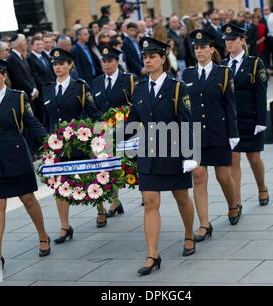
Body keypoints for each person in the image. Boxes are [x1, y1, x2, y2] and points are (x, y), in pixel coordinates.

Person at [126, 37, 197, 275]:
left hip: (174, 152)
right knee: (150, 201)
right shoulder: (139, 89)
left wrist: (190, 155)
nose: (147, 60)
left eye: (152, 56)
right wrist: (123, 141)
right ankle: (152, 254)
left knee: (181, 197)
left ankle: (189, 234)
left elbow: (188, 121)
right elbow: (134, 120)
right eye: (145, 57)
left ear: (163, 59)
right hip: (148, 153)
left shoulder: (177, 88)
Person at [0, 57, 51, 275]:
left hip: (16, 158)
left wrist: (51, 145)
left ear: (4, 76)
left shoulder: (17, 98)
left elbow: (31, 123)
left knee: (28, 199)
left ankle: (43, 235)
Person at [182, 30, 241, 242]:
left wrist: (233, 134)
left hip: (218, 131)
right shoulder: (187, 75)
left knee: (223, 176)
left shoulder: (223, 73)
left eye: (203, 47)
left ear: (211, 49)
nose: (199, 51)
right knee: (198, 175)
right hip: (196, 134)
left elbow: (230, 106)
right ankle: (204, 224)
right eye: (196, 48)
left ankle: (233, 205)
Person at [42, 48, 104, 245]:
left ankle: (100, 209)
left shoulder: (80, 87)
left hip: (78, 142)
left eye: (62, 63)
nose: (58, 67)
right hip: (56, 146)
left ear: (70, 65)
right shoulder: (47, 89)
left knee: (90, 179)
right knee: (59, 184)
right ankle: (64, 225)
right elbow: (45, 118)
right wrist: (45, 142)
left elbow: (93, 113)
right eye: (55, 64)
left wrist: (106, 132)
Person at [220, 24, 270, 209]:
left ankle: (262, 187)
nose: (229, 43)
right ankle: (237, 200)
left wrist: (261, 121)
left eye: (233, 39)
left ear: (242, 40)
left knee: (254, 157)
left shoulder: (255, 63)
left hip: (250, 119)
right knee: (233, 158)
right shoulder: (223, 66)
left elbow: (261, 93)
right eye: (226, 40)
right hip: (231, 121)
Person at [91, 46, 135, 217]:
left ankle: (140, 195)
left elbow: (134, 104)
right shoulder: (96, 82)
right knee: (105, 167)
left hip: (124, 129)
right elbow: (92, 107)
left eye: (110, 61)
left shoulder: (128, 80)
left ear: (117, 62)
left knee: (123, 166)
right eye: (104, 61)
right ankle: (114, 202)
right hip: (102, 131)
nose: (107, 64)